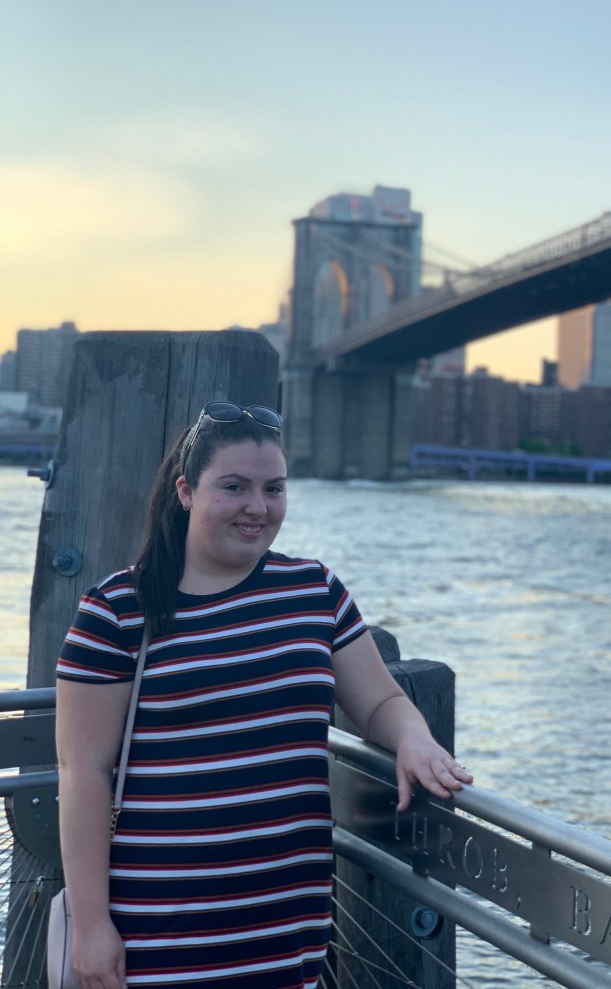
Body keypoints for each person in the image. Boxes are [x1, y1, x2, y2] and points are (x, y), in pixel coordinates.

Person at [55, 401, 472, 989]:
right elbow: (83, 772)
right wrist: (93, 925)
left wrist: (414, 741)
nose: (258, 507)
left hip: (286, 925)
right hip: (156, 927)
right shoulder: (119, 608)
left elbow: (379, 702)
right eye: (234, 487)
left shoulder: (314, 590)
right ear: (186, 491)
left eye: (273, 488)